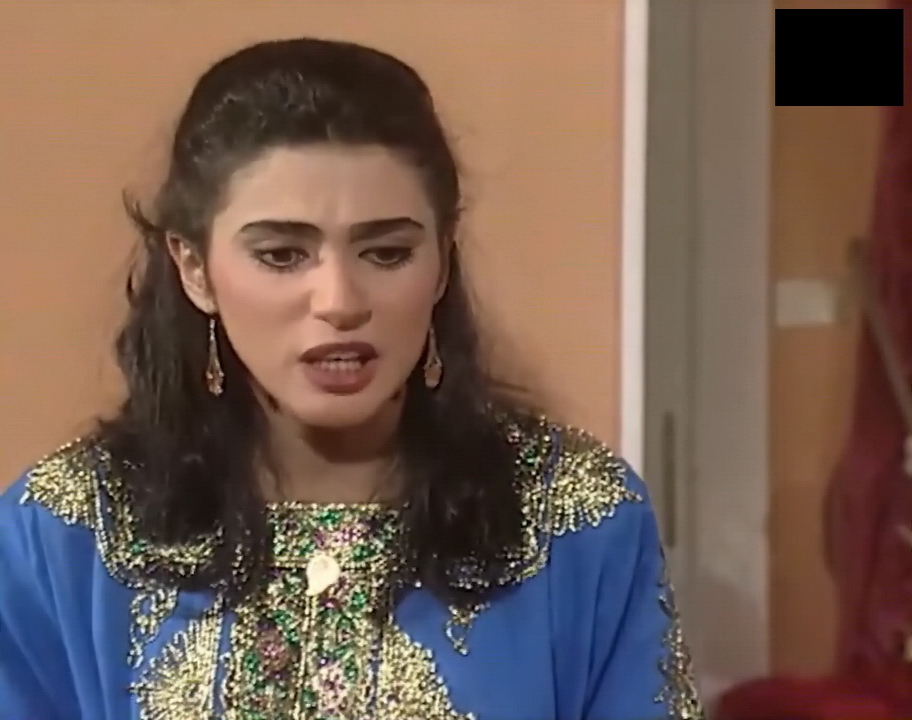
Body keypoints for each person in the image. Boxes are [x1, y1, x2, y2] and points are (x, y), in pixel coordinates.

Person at [0, 38, 703, 720]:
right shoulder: (65, 531)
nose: (340, 302)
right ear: (194, 268)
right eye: (282, 255)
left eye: (387, 253)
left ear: (442, 261)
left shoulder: (576, 519)